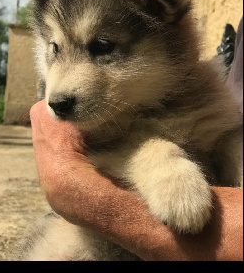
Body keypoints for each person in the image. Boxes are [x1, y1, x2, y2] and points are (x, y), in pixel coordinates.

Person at [29, 18, 243, 261]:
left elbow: (226, 135)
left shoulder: (206, 95)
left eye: (102, 46)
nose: (58, 89)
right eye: (55, 49)